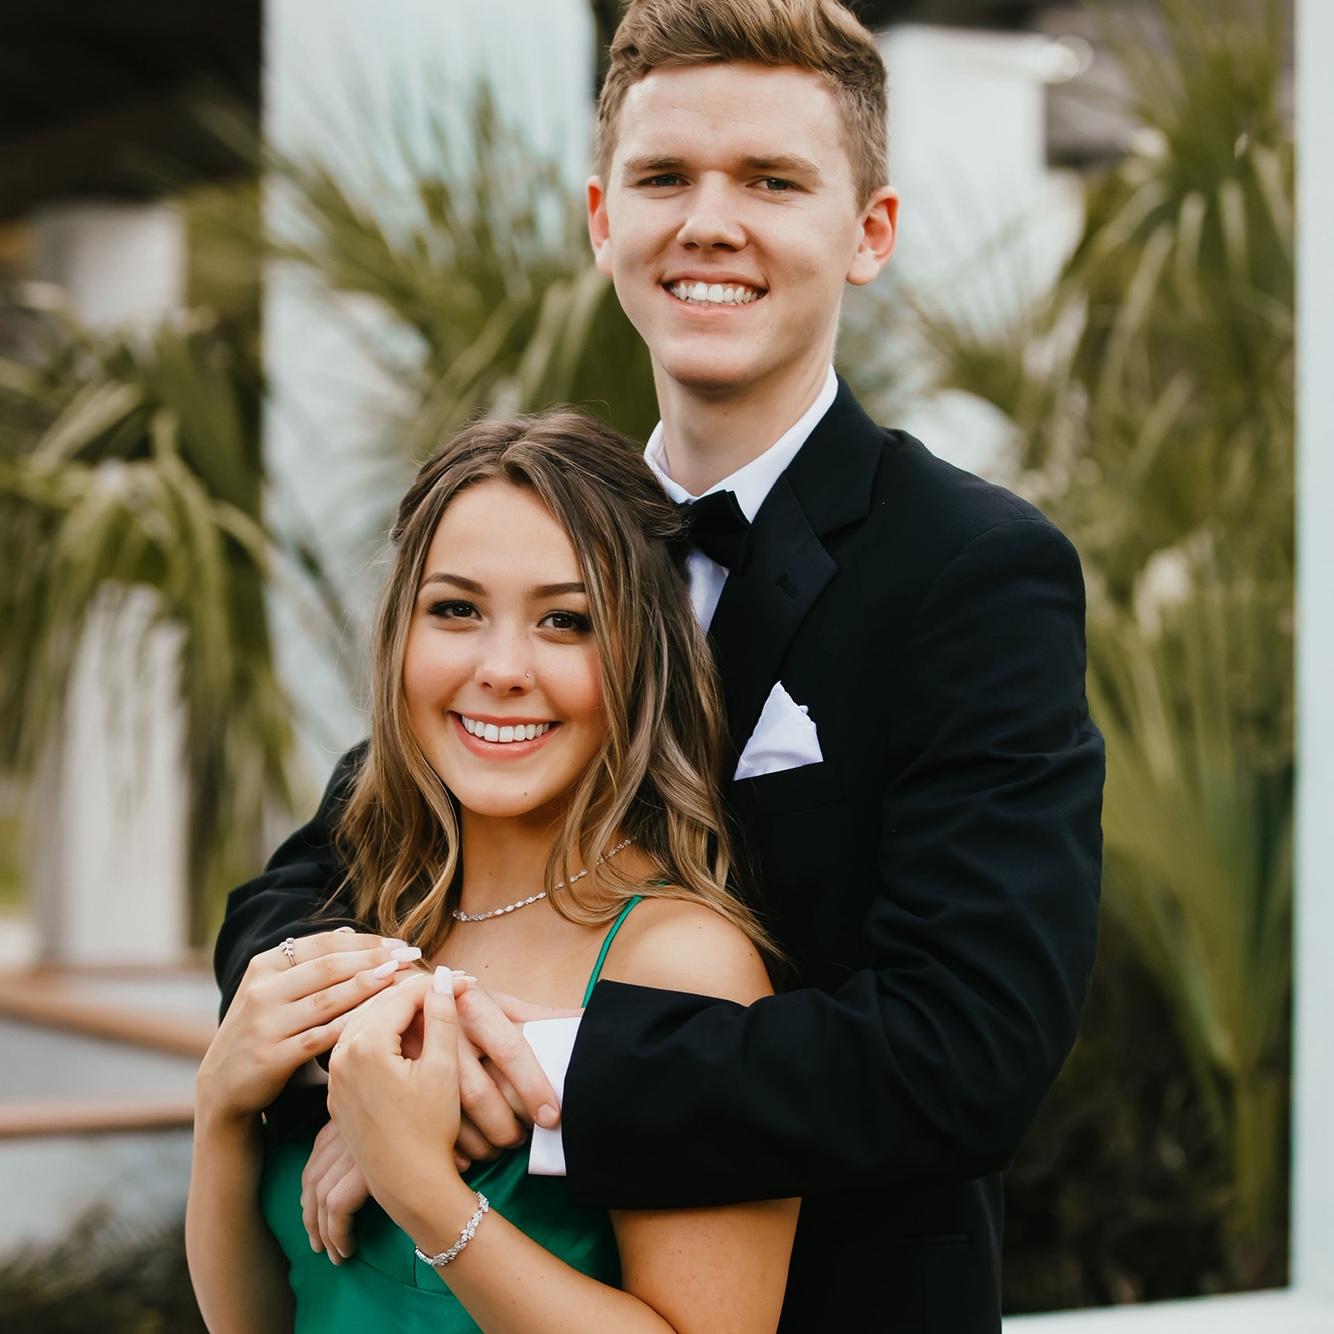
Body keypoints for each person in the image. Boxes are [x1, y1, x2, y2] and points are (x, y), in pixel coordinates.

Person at [214, 2, 1105, 1329]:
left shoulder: (972, 570)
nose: (708, 223)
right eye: (664, 177)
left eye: (770, 181)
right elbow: (298, 889)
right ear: (601, 218)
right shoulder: (549, 538)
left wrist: (512, 1072)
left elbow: (967, 1048)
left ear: (869, 232)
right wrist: (391, 1040)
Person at [188, 413, 800, 1332]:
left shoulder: (681, 963)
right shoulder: (370, 912)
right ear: (399, 636)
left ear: (642, 659)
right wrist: (221, 1114)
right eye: (456, 610)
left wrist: (423, 1193)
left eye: (566, 621)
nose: (502, 669)